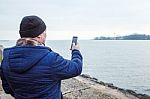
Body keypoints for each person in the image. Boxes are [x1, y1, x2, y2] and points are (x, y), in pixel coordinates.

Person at [1, 15, 83, 99]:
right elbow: (76, 68)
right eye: (45, 32)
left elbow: (7, 88)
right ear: (39, 35)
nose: (46, 35)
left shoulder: (6, 59)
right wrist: (75, 51)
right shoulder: (51, 59)